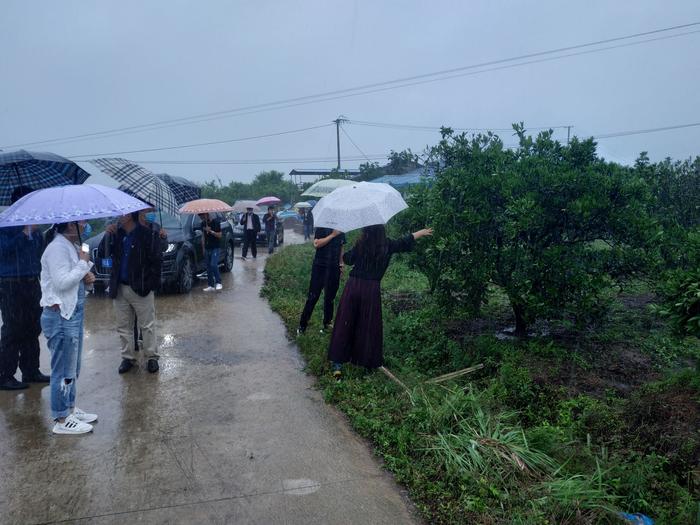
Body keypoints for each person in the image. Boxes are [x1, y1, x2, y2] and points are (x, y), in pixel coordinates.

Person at [328, 225, 433, 379]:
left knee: (346, 321)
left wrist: (346, 251)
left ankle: (337, 365)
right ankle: (367, 363)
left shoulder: (361, 243)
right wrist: (422, 233)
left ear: (367, 230)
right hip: (371, 289)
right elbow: (405, 241)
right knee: (368, 326)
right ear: (382, 230)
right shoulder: (387, 245)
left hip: (354, 285)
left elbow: (348, 259)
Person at [40, 220, 98, 434]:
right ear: (70, 226)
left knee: (73, 368)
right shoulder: (56, 249)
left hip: (72, 314)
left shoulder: (70, 247)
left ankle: (70, 408)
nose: (85, 225)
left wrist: (87, 278)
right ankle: (62, 419)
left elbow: (73, 282)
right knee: (63, 369)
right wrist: (83, 265)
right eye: (82, 222)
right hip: (61, 317)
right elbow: (61, 282)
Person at [98, 211, 162, 374]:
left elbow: (156, 261)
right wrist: (107, 235)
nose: (119, 216)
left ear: (129, 215)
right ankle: (127, 358)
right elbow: (102, 254)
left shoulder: (148, 234)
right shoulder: (115, 234)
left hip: (141, 287)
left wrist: (150, 284)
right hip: (120, 287)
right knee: (123, 326)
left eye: (122, 213)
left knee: (147, 325)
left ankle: (151, 357)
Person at [0, 186, 50, 390]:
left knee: (32, 327)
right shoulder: (4, 224)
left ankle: (31, 370)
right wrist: (24, 232)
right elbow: (4, 251)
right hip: (11, 284)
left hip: (32, 282)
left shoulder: (35, 224)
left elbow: (38, 252)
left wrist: (33, 232)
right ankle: (5, 375)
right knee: (13, 329)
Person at [297, 228, 345, 335]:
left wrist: (341, 264)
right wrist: (332, 235)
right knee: (313, 296)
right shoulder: (322, 227)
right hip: (320, 267)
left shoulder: (341, 229)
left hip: (334, 268)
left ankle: (327, 325)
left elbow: (341, 246)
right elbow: (317, 244)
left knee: (330, 298)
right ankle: (302, 325)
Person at [199, 212, 223, 291]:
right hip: (207, 248)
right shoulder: (202, 224)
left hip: (215, 247)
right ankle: (211, 285)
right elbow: (203, 236)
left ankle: (218, 282)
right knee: (208, 267)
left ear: (207, 214)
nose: (201, 217)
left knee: (213, 264)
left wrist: (211, 231)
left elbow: (220, 235)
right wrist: (203, 248)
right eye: (200, 216)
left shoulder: (216, 222)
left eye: (202, 215)